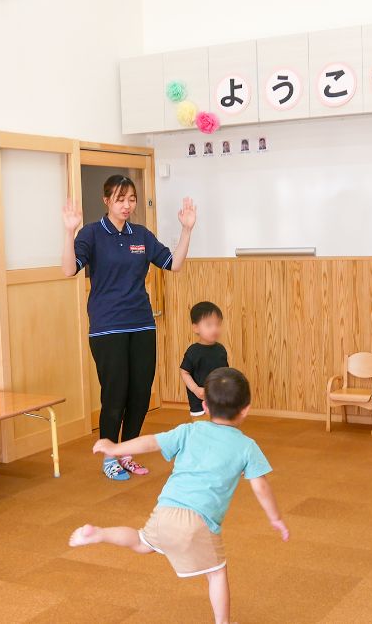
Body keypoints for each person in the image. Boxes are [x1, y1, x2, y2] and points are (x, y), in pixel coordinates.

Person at [69, 367, 288, 624]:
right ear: (246, 409)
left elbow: (150, 442)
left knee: (141, 543)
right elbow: (260, 487)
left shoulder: (189, 430)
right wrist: (275, 518)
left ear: (205, 406)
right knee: (216, 574)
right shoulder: (247, 447)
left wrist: (116, 447)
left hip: (165, 510)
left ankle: (99, 533)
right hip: (198, 521)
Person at [62, 175, 197, 481]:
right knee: (115, 393)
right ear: (106, 200)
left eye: (131, 199)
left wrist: (186, 229)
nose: (127, 205)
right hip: (107, 327)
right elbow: (69, 269)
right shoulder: (92, 234)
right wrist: (69, 233)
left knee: (139, 393)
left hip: (141, 324)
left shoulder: (141, 235)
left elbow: (173, 264)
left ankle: (126, 452)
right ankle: (109, 454)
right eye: (120, 199)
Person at [180, 301, 229, 417]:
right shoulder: (193, 351)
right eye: (209, 325)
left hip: (219, 399)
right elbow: (184, 372)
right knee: (201, 428)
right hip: (199, 401)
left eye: (218, 324)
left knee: (219, 427)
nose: (215, 329)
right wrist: (196, 389)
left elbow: (225, 373)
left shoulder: (221, 349)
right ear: (196, 328)